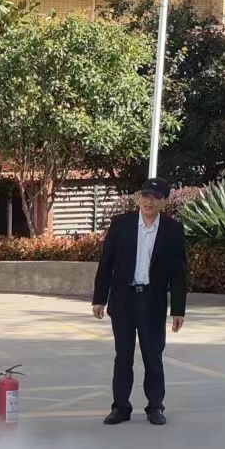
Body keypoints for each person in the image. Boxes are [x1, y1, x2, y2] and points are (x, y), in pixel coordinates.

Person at [92, 178, 188, 427]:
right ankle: (120, 407)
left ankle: (155, 406)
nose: (149, 201)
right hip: (123, 300)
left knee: (153, 356)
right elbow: (106, 263)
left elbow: (179, 273)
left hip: (152, 302)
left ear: (163, 201)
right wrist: (99, 298)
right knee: (122, 356)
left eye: (155, 197)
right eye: (145, 196)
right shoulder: (121, 224)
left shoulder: (172, 229)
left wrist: (178, 309)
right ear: (139, 198)